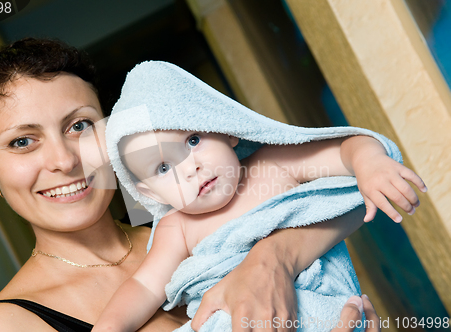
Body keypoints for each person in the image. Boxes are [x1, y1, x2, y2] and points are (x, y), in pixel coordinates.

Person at [0, 38, 381, 332]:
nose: (64, 160)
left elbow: (338, 198)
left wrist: (272, 258)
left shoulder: (195, 221)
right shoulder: (6, 324)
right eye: (22, 142)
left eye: (80, 126)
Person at [94, 61, 426, 331]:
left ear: (224, 129)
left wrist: (368, 161)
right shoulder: (175, 226)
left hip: (315, 308)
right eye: (164, 168)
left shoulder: (273, 165)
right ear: (149, 192)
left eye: (193, 141)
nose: (190, 169)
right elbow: (144, 287)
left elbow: (344, 150)